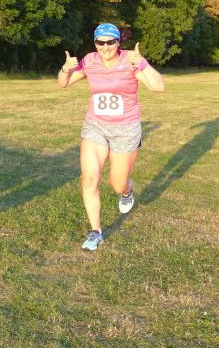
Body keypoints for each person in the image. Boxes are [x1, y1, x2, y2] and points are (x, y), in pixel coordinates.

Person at [58, 23, 165, 251]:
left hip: (125, 129)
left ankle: (127, 191)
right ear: (95, 43)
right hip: (95, 126)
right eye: (100, 42)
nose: (105, 47)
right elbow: (63, 83)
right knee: (89, 179)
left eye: (110, 42)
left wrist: (143, 64)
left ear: (118, 42)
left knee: (117, 184)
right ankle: (96, 232)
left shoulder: (130, 61)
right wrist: (66, 69)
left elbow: (158, 87)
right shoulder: (90, 61)